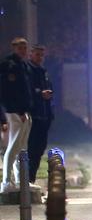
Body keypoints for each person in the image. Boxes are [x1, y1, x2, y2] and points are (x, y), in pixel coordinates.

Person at [0, 37, 33, 193]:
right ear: (14, 48)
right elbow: (8, 92)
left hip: (23, 112)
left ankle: (22, 181)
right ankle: (6, 182)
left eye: (25, 47)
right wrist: (18, 111)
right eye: (20, 47)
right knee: (13, 148)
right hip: (13, 112)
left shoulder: (23, 65)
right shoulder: (8, 65)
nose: (23, 50)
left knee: (22, 149)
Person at [26, 43, 53, 185]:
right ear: (31, 54)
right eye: (37, 54)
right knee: (31, 149)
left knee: (39, 149)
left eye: (42, 55)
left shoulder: (43, 71)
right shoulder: (27, 70)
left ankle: (31, 179)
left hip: (44, 115)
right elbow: (26, 90)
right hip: (33, 115)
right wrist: (39, 94)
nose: (40, 58)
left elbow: (49, 88)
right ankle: (27, 179)